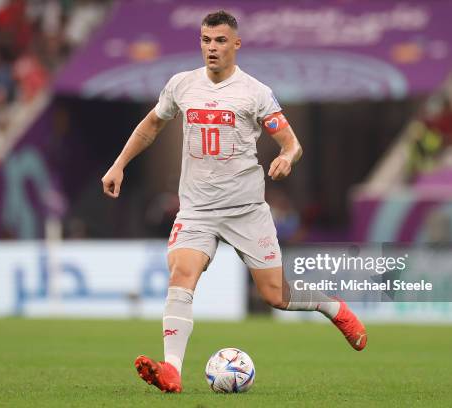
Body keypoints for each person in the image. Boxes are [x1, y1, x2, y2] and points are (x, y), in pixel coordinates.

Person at [101, 10, 367, 394]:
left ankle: (333, 308)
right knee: (181, 275)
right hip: (196, 211)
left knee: (276, 295)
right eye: (207, 40)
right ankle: (172, 369)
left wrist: (285, 158)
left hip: (246, 212)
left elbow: (292, 143)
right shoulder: (181, 85)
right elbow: (151, 125)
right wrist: (119, 164)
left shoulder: (255, 93)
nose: (213, 48)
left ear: (236, 44)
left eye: (221, 41)